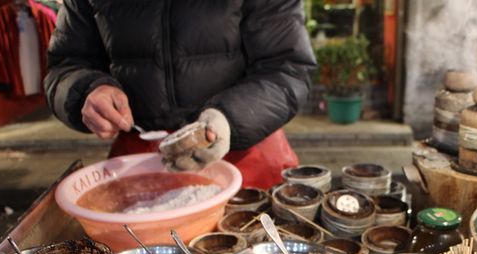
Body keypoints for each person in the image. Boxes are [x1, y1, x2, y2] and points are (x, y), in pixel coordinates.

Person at [44, 0, 316, 189]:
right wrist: (86, 90)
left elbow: (288, 67)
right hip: (142, 161)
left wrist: (229, 120)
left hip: (244, 149)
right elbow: (65, 65)